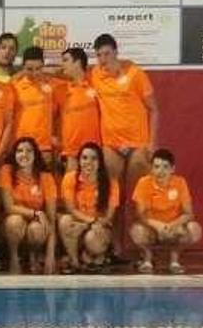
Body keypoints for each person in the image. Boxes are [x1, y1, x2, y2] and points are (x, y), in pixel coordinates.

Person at [90, 33, 159, 258]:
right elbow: (70, 73)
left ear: (116, 52)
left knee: (139, 198)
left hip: (138, 144)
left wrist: (152, 144)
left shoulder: (135, 74)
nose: (103, 59)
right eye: (99, 55)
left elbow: (154, 109)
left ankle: (143, 251)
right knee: (114, 198)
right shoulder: (95, 75)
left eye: (107, 54)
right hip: (111, 145)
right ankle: (117, 247)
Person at [130, 149, 202, 274]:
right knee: (137, 231)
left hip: (174, 228)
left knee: (194, 229)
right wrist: (157, 225)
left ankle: (174, 260)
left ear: (172, 169)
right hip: (152, 228)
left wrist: (172, 225)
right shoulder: (143, 183)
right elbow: (139, 214)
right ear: (151, 168)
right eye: (156, 167)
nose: (160, 171)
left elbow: (189, 213)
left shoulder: (180, 182)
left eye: (165, 167)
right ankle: (147, 259)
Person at [0, 138, 57, 274]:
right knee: (14, 221)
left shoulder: (46, 177)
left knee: (36, 229)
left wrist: (50, 255)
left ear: (35, 155)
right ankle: (14, 258)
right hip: (12, 222)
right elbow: (9, 207)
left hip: (36, 224)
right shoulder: (6, 171)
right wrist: (36, 213)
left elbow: (52, 219)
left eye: (29, 151)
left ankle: (33, 256)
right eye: (20, 151)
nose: (24, 154)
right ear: (14, 154)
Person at [59, 143, 119, 273]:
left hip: (100, 227)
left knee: (92, 240)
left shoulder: (111, 183)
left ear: (100, 162)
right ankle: (75, 262)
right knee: (65, 221)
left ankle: (96, 255)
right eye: (84, 158)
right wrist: (89, 223)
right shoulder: (70, 178)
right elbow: (71, 210)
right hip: (83, 224)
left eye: (94, 158)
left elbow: (108, 217)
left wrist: (92, 225)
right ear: (79, 161)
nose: (88, 162)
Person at [11, 47, 62, 172]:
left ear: (43, 65)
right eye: (29, 69)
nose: (34, 73)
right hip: (21, 147)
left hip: (45, 147)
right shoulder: (13, 87)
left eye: (38, 68)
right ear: (23, 67)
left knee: (46, 186)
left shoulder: (53, 85)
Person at [56, 48, 100, 172]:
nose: (62, 64)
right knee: (70, 188)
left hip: (94, 150)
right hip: (71, 152)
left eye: (66, 60)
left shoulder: (96, 83)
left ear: (78, 62)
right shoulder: (60, 89)